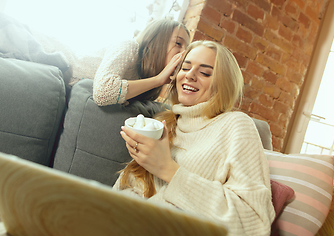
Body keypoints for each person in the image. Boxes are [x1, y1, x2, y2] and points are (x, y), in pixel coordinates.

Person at [115, 40, 275, 235]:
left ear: (223, 84)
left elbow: (256, 223)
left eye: (205, 72)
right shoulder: (164, 123)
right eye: (185, 67)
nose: (190, 75)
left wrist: (167, 169)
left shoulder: (236, 125)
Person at [91, 19, 190, 106]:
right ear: (154, 43)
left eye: (187, 48)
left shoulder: (148, 75)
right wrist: (157, 80)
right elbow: (102, 93)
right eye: (178, 43)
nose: (184, 53)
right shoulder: (130, 46)